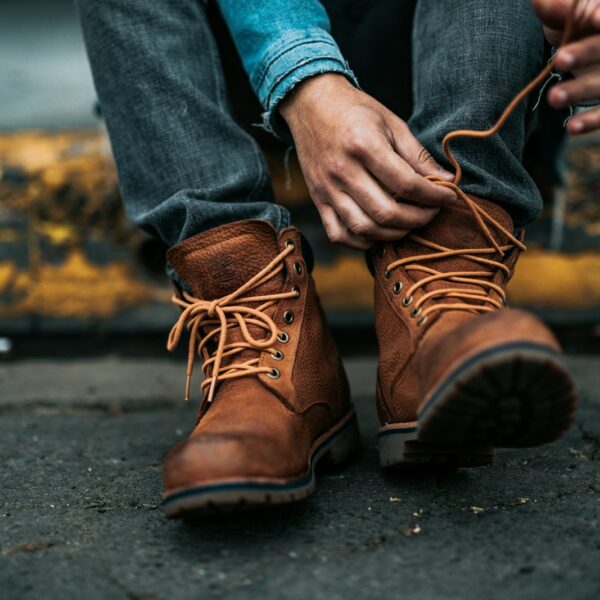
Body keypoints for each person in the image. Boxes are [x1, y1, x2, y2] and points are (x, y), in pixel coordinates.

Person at [75, 0, 598, 517]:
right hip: (239, 75)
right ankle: (259, 329)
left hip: (466, 63)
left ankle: (442, 293)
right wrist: (305, 81)